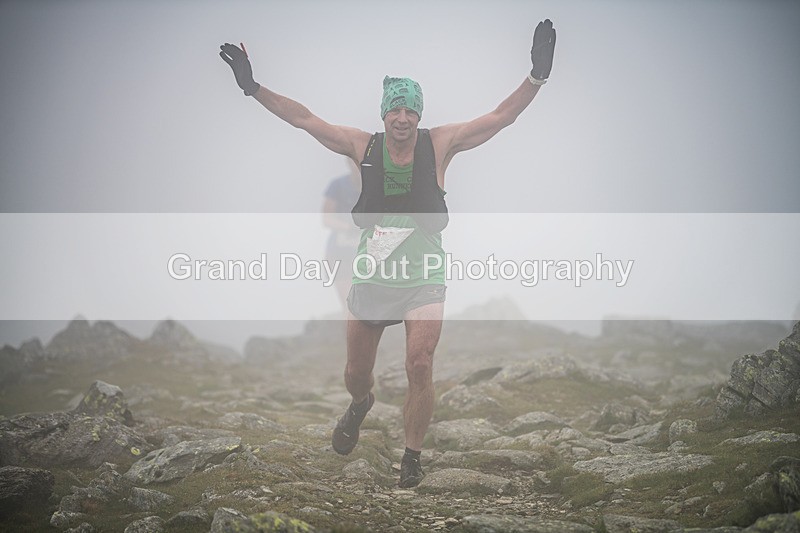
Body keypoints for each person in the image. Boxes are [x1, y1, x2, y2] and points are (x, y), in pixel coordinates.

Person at [219, 19, 556, 488]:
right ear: (384, 115)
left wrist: (537, 76)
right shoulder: (363, 147)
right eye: (395, 110)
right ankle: (360, 405)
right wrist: (254, 88)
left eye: (411, 112)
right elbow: (304, 118)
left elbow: (500, 118)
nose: (403, 119)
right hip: (374, 272)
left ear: (420, 117)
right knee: (357, 373)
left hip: (424, 272)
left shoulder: (440, 144)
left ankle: (411, 456)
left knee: (420, 363)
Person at [322, 160, 362, 311]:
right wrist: (349, 227)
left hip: (369, 250)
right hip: (340, 251)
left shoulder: (378, 186)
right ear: (348, 162)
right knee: (348, 302)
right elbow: (327, 218)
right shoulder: (337, 185)